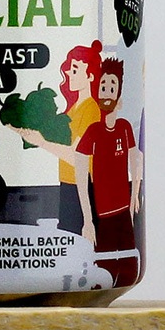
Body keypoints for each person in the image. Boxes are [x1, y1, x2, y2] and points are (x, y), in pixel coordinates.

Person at [12, 41, 102, 237]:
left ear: (90, 76)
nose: (69, 73)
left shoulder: (90, 110)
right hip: (68, 184)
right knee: (68, 237)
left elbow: (78, 157)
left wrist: (42, 142)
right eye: (69, 68)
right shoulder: (73, 109)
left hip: (83, 188)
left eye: (75, 69)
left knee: (77, 240)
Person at [76, 57, 143, 286]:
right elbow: (80, 173)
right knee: (104, 270)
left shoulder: (124, 128)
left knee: (128, 267)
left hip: (124, 211)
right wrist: (87, 220)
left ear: (119, 98)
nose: (106, 92)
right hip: (102, 216)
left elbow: (136, 160)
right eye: (103, 86)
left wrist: (135, 196)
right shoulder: (93, 131)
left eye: (111, 87)